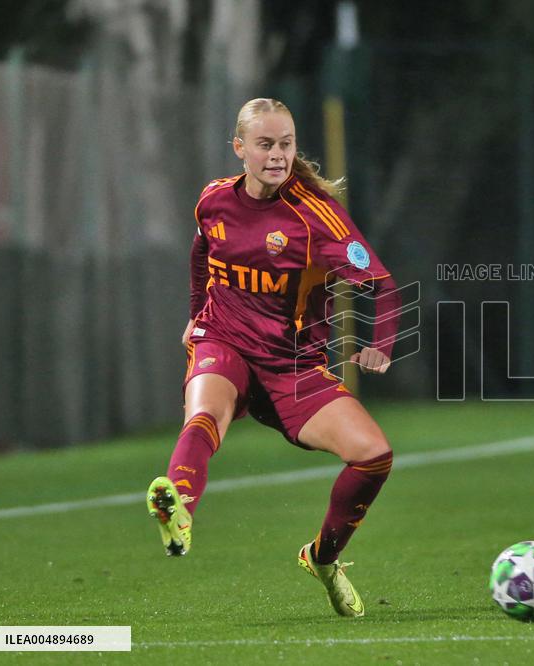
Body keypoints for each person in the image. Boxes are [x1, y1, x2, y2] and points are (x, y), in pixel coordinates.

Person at [146, 98, 401, 619]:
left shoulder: (315, 217)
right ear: (239, 148)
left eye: (286, 144)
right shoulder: (214, 199)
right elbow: (201, 254)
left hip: (292, 366)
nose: (278, 155)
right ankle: (179, 510)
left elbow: (383, 286)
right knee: (204, 415)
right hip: (224, 339)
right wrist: (196, 316)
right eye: (265, 145)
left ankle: (323, 559)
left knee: (374, 455)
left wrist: (381, 344)